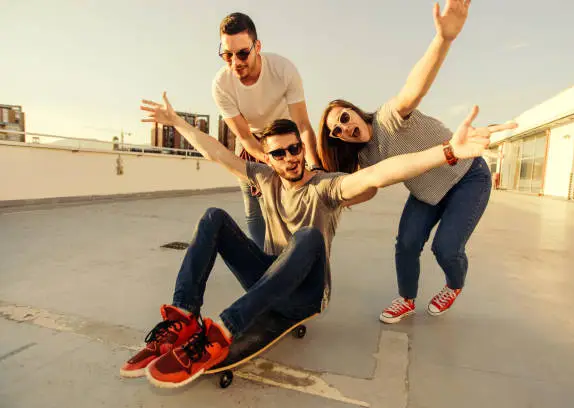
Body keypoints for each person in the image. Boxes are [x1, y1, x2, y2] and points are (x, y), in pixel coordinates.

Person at [119, 91, 495, 388]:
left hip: (306, 293)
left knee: (309, 237)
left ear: (302, 147)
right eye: (279, 153)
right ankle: (183, 316)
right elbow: (216, 152)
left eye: (294, 148)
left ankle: (224, 330)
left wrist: (446, 152)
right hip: (267, 280)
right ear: (268, 158)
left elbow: (378, 175)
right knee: (214, 218)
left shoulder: (324, 186)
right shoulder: (263, 179)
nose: (289, 158)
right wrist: (175, 122)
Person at [316, 0, 518, 322]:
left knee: (446, 248)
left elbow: (414, 90)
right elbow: (368, 189)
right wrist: (332, 200)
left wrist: (444, 39)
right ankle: (406, 298)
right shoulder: (366, 157)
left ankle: (454, 284)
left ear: (353, 109)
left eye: (343, 117)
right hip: (427, 193)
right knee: (407, 243)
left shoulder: (390, 117)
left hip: (467, 177)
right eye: (337, 131)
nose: (344, 127)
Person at [213, 12, 321, 250]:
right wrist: (267, 160)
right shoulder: (221, 85)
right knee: (253, 208)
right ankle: (265, 262)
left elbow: (302, 125)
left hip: (284, 139)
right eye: (227, 55)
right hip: (252, 142)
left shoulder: (283, 69)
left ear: (257, 46)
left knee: (290, 203)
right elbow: (244, 136)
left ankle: (295, 256)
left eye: (242, 53)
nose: (235, 62)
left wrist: (314, 166)